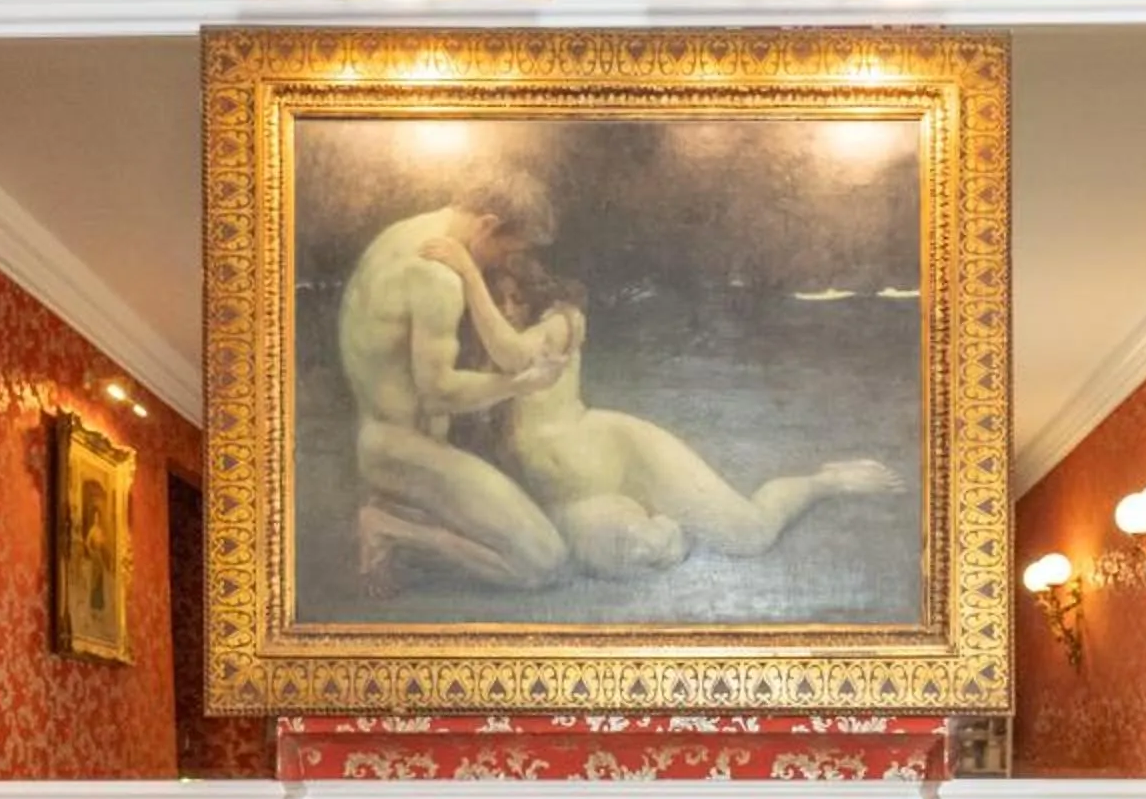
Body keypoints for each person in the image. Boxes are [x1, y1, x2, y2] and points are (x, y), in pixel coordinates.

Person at [425, 242, 897, 578]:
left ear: (536, 296)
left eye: (516, 298)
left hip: (621, 451)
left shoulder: (561, 323)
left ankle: (825, 481)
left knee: (749, 535)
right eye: (497, 298)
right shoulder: (466, 351)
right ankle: (666, 527)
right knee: (636, 556)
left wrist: (469, 276)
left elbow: (513, 355)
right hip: (568, 497)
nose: (507, 308)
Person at [332, 171, 573, 592]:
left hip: (386, 439)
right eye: (506, 250)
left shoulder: (399, 235)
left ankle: (405, 518)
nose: (503, 264)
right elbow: (439, 393)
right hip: (401, 453)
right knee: (544, 563)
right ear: (488, 225)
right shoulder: (436, 275)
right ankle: (389, 527)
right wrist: (521, 384)